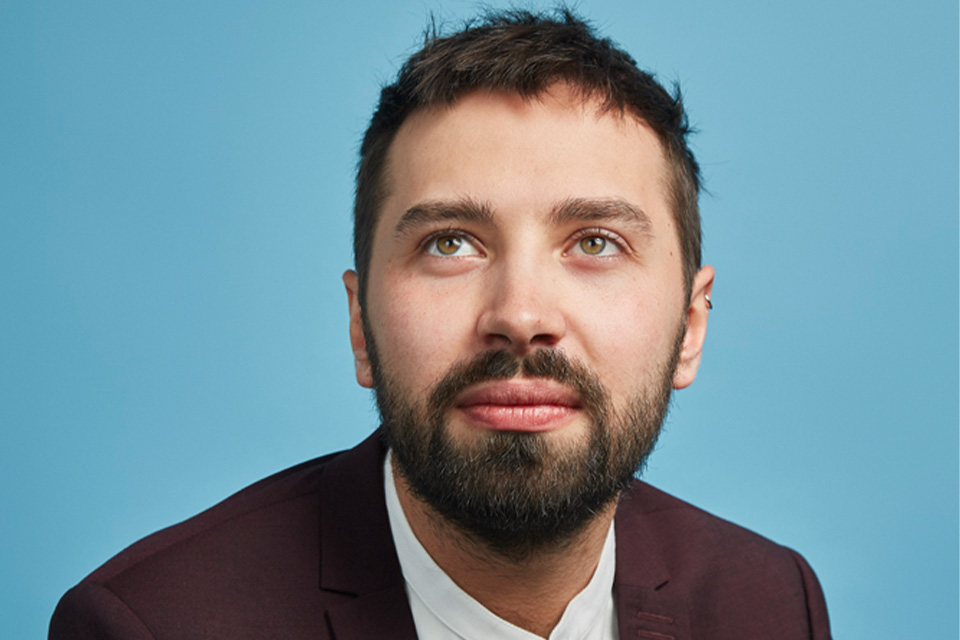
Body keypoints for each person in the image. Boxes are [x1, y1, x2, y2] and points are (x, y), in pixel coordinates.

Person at [50, 9, 831, 639]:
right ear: (361, 326)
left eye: (595, 242)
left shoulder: (772, 603)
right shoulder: (149, 625)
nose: (521, 316)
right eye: (450, 243)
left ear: (690, 327)